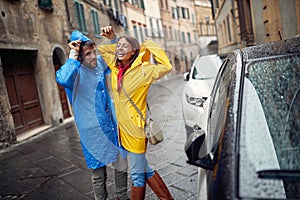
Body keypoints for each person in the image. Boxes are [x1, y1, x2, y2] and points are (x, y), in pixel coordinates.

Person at [98, 26, 174, 200]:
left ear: (134, 52)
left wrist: (149, 44)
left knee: (137, 175)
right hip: (123, 130)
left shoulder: (144, 70)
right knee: (144, 169)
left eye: (125, 46)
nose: (120, 49)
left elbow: (166, 66)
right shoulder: (116, 68)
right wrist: (112, 38)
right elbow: (103, 50)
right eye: (119, 46)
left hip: (136, 130)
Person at [56, 30, 128, 200]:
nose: (93, 56)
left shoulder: (97, 67)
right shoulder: (73, 73)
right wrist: (73, 53)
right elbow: (63, 79)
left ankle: (122, 197)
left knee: (121, 164)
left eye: (93, 51)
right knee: (98, 173)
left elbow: (115, 56)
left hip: (110, 124)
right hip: (91, 130)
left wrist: (112, 39)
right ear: (79, 57)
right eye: (88, 54)